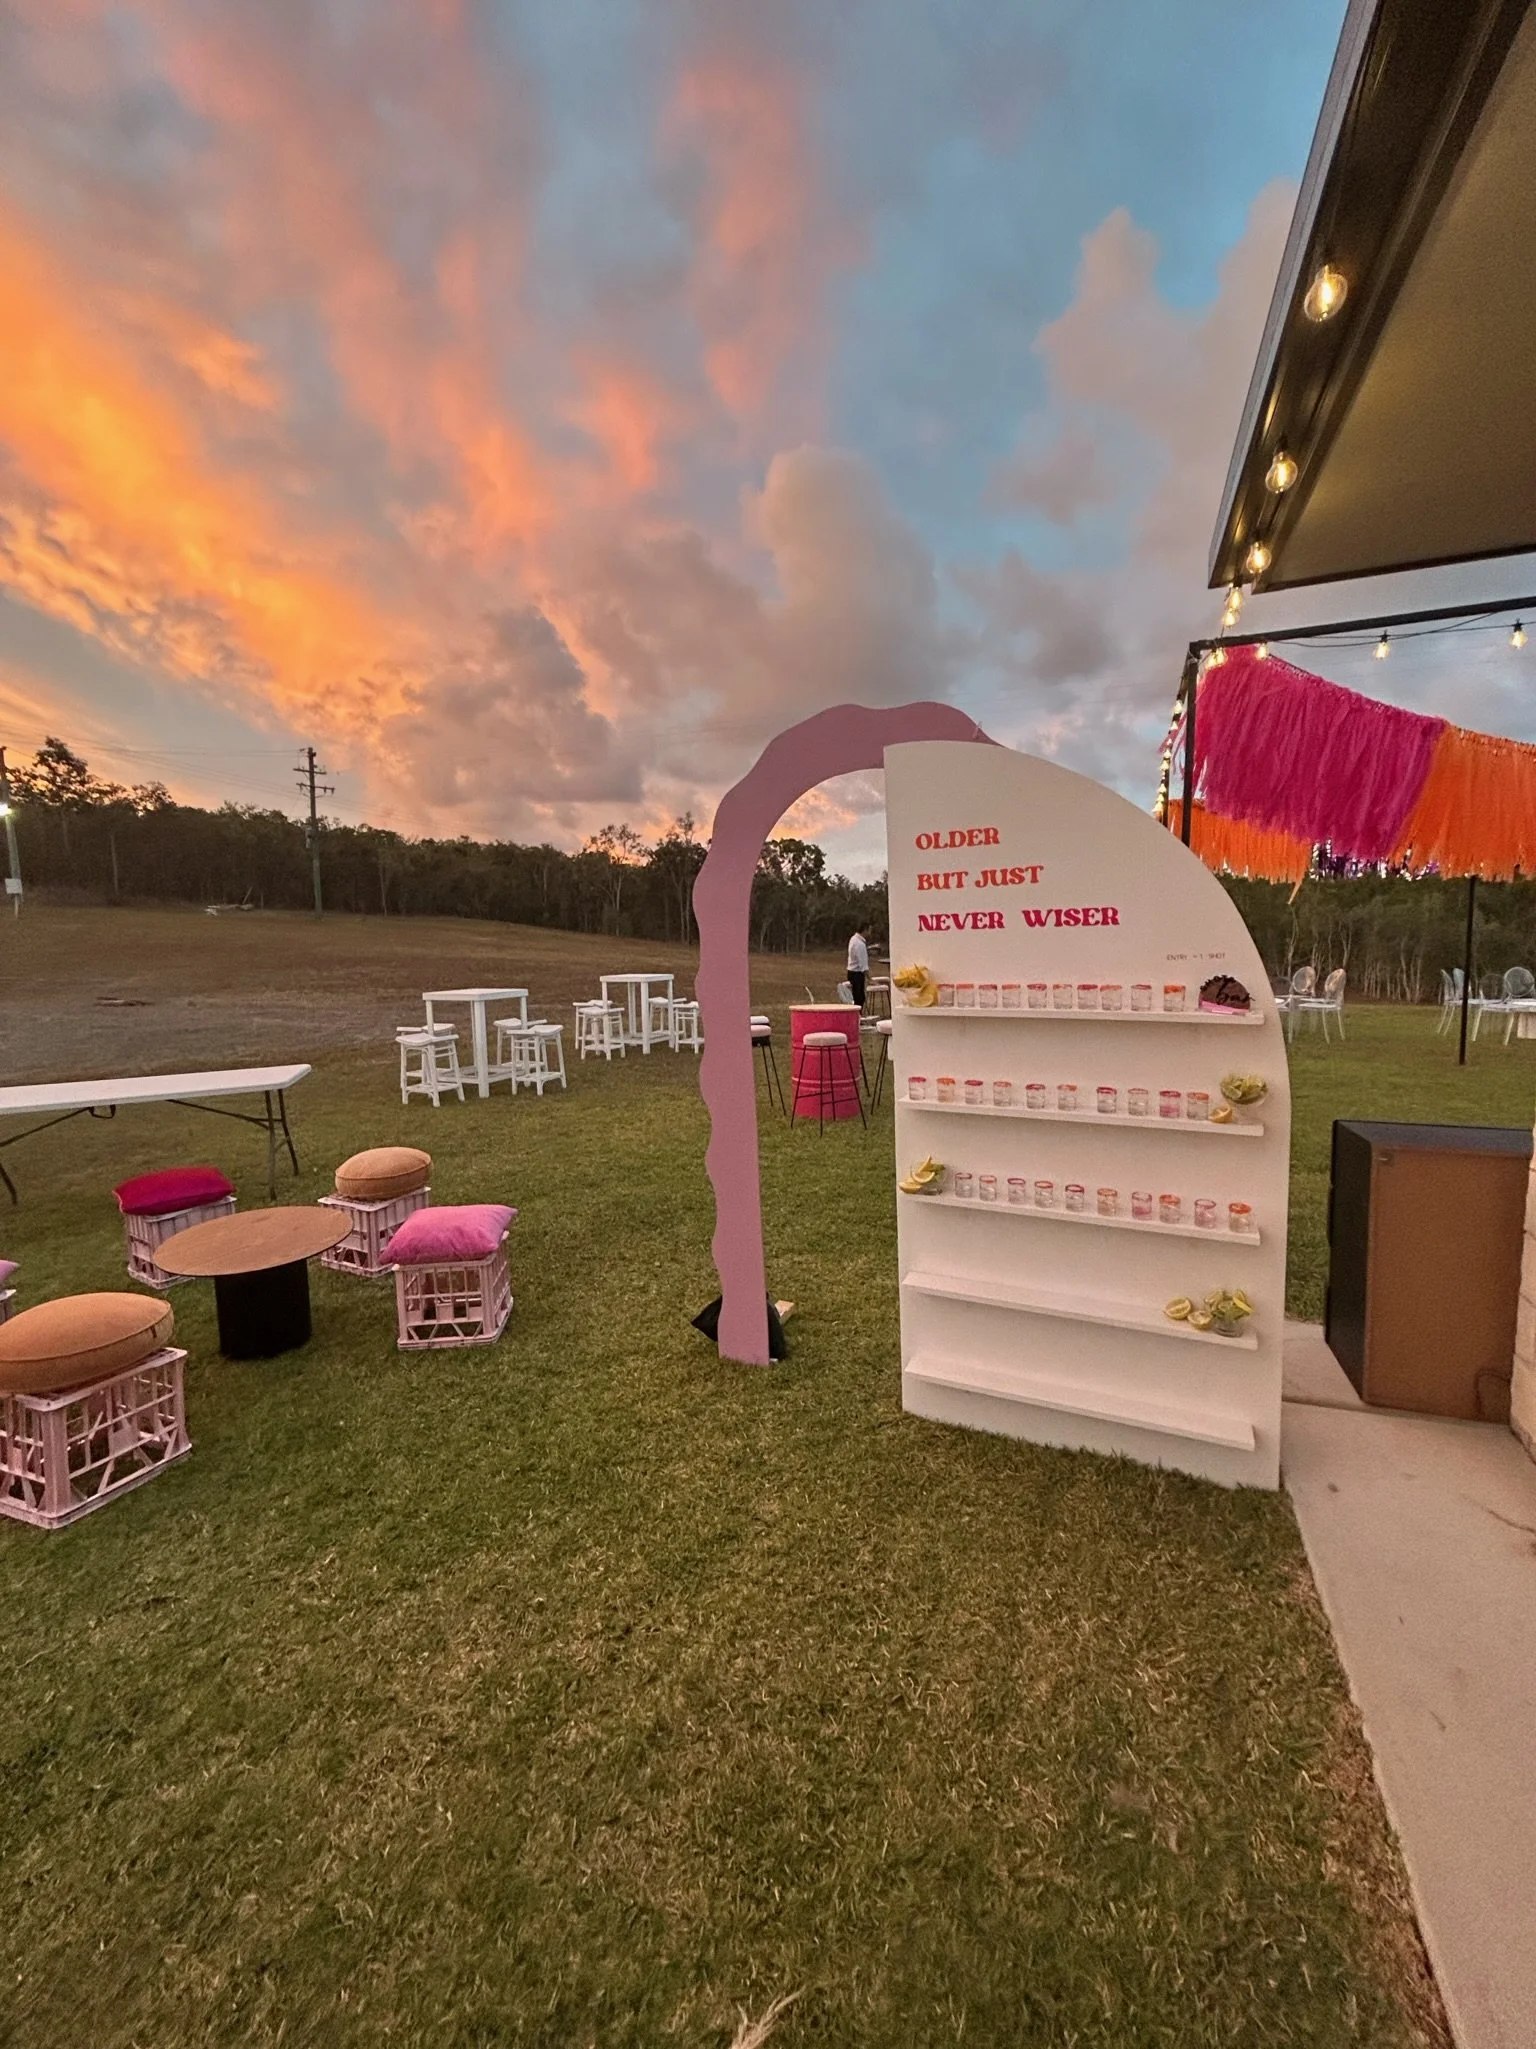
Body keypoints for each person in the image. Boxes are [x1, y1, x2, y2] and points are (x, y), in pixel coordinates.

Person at [847, 927, 869, 1010]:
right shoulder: (860, 944)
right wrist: (869, 978)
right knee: (859, 998)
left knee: (858, 996)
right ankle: (858, 1016)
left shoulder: (853, 939)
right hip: (857, 973)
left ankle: (858, 1015)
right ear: (864, 930)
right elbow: (863, 963)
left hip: (851, 971)